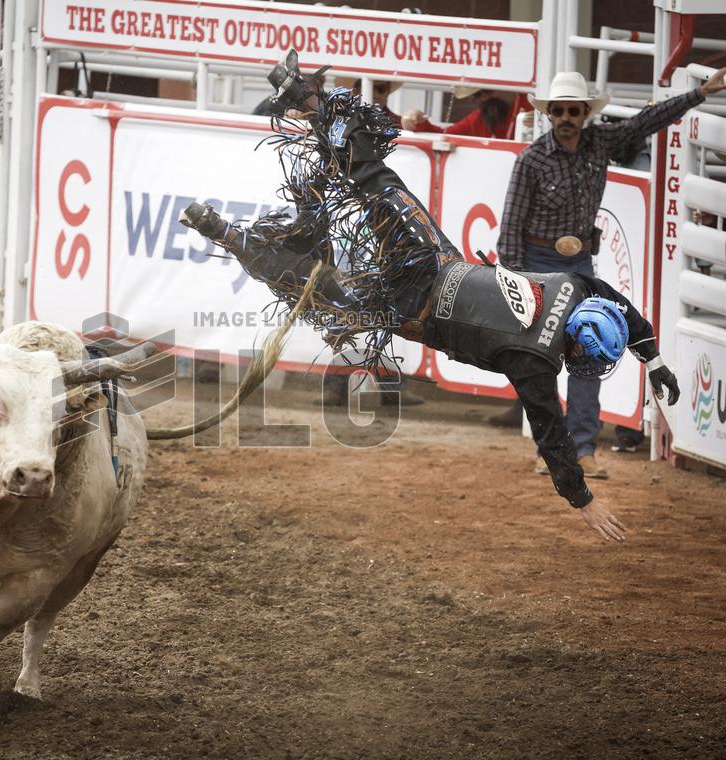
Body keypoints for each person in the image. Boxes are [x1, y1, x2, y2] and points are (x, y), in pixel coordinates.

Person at [180, 50, 688, 542]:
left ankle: (310, 102)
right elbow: (551, 435)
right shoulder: (536, 361)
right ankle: (228, 235)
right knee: (328, 297)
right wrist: (583, 500)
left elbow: (612, 298)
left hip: (433, 256)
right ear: (577, 344)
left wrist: (655, 358)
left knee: (376, 182)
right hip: (412, 308)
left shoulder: (574, 289)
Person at [497, 68, 726, 477]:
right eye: (559, 111)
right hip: (538, 265)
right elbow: (511, 228)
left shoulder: (600, 142)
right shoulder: (531, 161)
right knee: (542, 359)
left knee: (590, 348)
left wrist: (699, 94)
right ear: (549, 114)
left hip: (578, 262)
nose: (565, 117)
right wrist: (514, 282)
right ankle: (554, 449)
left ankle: (583, 447)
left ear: (585, 112)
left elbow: (646, 121)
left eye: (573, 110)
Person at [402, 86, 533, 140]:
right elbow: (445, 136)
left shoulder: (532, 105)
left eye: (487, 91)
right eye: (477, 94)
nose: (484, 98)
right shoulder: (481, 117)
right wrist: (417, 122)